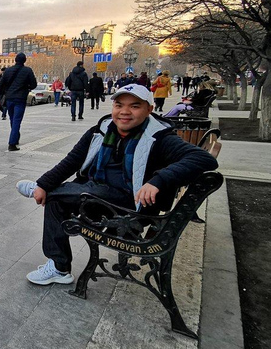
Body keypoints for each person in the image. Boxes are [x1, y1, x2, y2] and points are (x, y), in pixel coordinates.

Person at [14, 84, 219, 285]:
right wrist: (44, 183)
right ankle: (59, 266)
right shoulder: (102, 130)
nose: (124, 112)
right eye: (119, 105)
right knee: (56, 200)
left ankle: (58, 263)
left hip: (129, 206)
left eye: (135, 106)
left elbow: (203, 159)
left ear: (149, 109)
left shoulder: (159, 137)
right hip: (100, 193)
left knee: (56, 197)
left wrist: (158, 180)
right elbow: (72, 160)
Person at [0, 53, 37, 151]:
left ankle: (15, 137)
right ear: (24, 60)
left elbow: (0, 85)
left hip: (9, 98)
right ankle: (12, 143)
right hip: (20, 99)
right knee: (17, 120)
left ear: (15, 60)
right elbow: (34, 85)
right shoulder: (28, 70)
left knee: (12, 119)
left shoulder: (8, 71)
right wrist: (26, 87)